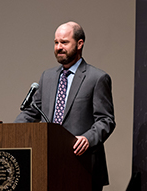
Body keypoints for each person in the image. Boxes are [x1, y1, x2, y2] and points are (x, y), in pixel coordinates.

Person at [14, 21, 115, 191]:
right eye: (56, 42)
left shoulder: (97, 78)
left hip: (83, 165)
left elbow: (105, 120)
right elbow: (32, 112)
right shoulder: (48, 77)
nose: (59, 47)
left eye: (64, 42)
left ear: (79, 44)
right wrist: (13, 131)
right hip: (49, 163)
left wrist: (87, 139)